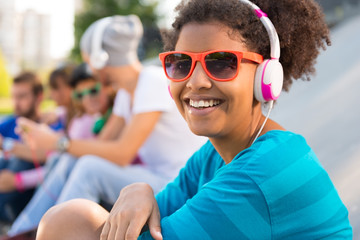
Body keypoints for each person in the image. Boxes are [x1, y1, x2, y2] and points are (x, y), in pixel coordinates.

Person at [35, 0, 353, 239]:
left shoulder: (262, 173)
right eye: (179, 63)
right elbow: (157, 212)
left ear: (266, 77)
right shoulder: (213, 156)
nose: (196, 81)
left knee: (70, 220)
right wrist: (140, 189)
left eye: (221, 63)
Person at [13, 14, 205, 236]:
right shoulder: (126, 93)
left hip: (176, 185)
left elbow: (122, 153)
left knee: (89, 168)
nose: (90, 70)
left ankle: (52, 232)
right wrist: (58, 144)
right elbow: (101, 143)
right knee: (71, 159)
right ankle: (27, 230)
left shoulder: (151, 81)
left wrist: (58, 142)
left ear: (99, 58)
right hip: (152, 177)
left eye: (88, 62)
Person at [5, 63, 113, 236]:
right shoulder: (68, 116)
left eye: (57, 88)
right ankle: (25, 230)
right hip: (50, 180)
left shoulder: (91, 120)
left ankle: (31, 230)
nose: (53, 94)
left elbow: (51, 156)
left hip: (49, 181)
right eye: (80, 94)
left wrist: (18, 177)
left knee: (68, 161)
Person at [0, 72, 62, 223]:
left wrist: (7, 145)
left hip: (32, 194)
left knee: (21, 160)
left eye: (22, 96)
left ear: (39, 97)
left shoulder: (52, 125)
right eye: (14, 96)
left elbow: (47, 155)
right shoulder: (9, 124)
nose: (16, 102)